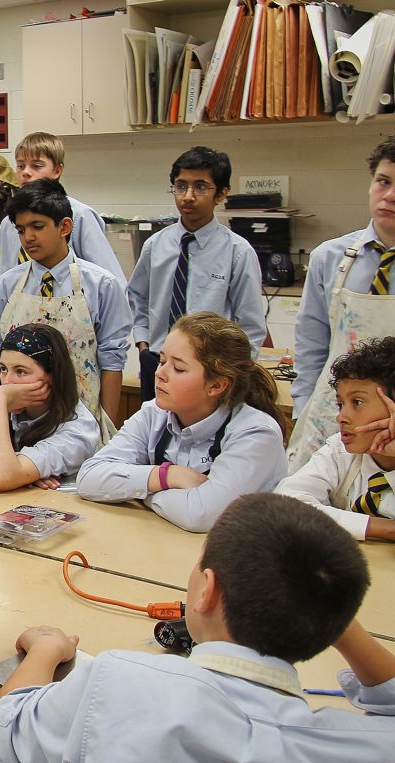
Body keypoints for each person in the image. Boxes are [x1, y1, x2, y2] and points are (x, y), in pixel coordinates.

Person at [0, 493, 395, 762]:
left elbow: (4, 732)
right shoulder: (364, 746)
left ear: (207, 591)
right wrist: (332, 614)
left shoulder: (118, 680)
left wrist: (46, 649)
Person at [77, 312, 287, 532]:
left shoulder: (256, 433)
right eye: (162, 361)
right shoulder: (154, 413)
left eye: (178, 368)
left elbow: (201, 515)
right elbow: (89, 477)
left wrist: (139, 493)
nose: (160, 373)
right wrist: (166, 476)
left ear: (216, 386)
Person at [0, 179, 131, 437]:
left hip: (81, 423)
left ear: (64, 226)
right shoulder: (7, 285)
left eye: (37, 227)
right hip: (20, 421)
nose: (28, 237)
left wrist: (105, 429)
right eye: (21, 230)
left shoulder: (101, 285)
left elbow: (111, 361)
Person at [289, 137, 395, 471]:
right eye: (384, 182)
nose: (389, 196)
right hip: (331, 418)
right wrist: (305, 413)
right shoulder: (329, 257)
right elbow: (311, 349)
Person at [128, 146, 266, 401]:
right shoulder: (155, 245)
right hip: (157, 359)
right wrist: (143, 341)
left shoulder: (236, 251)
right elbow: (138, 296)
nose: (188, 196)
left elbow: (250, 324)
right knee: (154, 435)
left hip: (208, 369)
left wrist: (236, 374)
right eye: (181, 186)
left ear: (222, 194)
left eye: (201, 187)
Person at [0, 324, 101, 492]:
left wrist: (13, 469)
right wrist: (16, 466)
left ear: (53, 375)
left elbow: (1, 478)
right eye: (3, 369)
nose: (7, 381)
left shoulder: (78, 429)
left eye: (21, 371)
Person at [276, 336, 395, 541]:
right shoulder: (339, 452)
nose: (342, 417)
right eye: (341, 404)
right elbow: (283, 506)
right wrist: (386, 529)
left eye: (357, 402)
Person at [0, 132, 123, 285]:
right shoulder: (9, 223)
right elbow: (6, 278)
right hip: (24, 304)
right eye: (21, 166)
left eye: (36, 166)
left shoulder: (80, 216)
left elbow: (111, 281)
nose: (26, 172)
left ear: (57, 171)